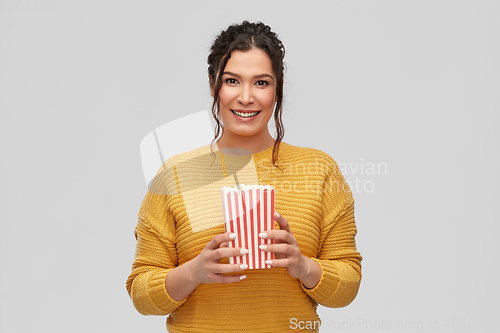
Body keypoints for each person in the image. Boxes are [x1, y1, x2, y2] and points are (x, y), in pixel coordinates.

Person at [126, 21, 362, 333]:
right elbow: (142, 294)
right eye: (232, 81)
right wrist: (195, 271)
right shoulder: (175, 174)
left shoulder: (318, 169)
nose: (246, 97)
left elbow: (348, 286)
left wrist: (303, 266)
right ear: (213, 86)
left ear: (277, 88)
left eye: (261, 83)